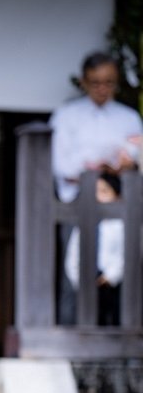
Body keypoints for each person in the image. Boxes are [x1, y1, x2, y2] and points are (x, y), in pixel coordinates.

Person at [49, 52, 142, 324]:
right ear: (84, 82)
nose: (102, 89)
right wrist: (94, 168)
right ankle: (67, 338)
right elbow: (60, 164)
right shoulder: (67, 116)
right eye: (96, 82)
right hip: (76, 203)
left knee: (120, 273)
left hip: (118, 204)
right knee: (74, 273)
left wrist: (123, 165)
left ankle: (119, 342)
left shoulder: (129, 118)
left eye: (109, 82)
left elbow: (137, 157)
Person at [63, 173, 128, 325]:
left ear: (117, 196)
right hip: (87, 280)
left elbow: (125, 255)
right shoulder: (85, 224)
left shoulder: (122, 225)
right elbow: (73, 254)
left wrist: (111, 276)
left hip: (112, 283)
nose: (99, 197)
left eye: (104, 191)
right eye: (96, 191)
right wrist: (78, 278)